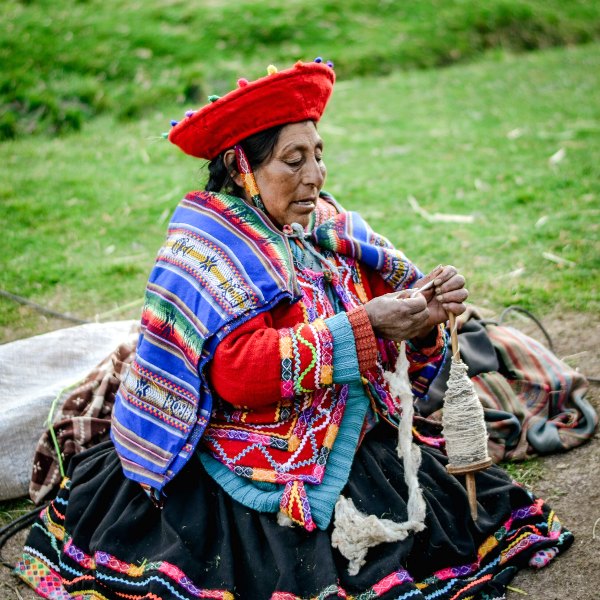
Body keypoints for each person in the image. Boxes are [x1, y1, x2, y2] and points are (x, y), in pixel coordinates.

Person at [16, 59, 572, 600]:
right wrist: (366, 325)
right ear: (242, 167)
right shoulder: (208, 247)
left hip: (336, 424)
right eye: (293, 160)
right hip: (233, 441)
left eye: (318, 155)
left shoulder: (325, 226)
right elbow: (236, 371)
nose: (315, 176)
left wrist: (423, 316)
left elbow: (382, 305)